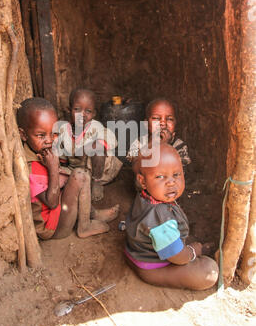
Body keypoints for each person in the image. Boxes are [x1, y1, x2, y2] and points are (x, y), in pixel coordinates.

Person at [17, 97, 119, 240]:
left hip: (57, 214)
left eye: (53, 134)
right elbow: (51, 203)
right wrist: (53, 168)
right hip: (53, 228)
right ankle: (84, 226)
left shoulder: (40, 152)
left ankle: (90, 213)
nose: (49, 140)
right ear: (23, 135)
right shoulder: (30, 168)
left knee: (74, 176)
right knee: (80, 175)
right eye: (41, 135)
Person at [124, 143, 218, 290]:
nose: (171, 182)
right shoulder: (161, 220)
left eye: (176, 174)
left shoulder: (146, 195)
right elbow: (178, 257)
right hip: (151, 268)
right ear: (142, 181)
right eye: (160, 176)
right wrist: (193, 252)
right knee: (207, 273)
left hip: (136, 251)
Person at [56, 88, 123, 201]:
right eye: (77, 109)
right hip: (74, 170)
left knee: (99, 148)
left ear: (94, 114)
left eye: (88, 111)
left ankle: (96, 183)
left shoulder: (95, 127)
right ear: (69, 110)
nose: (82, 115)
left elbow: (111, 139)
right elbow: (62, 158)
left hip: (98, 170)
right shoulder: (63, 130)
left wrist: (90, 146)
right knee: (58, 181)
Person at [127, 98, 191, 168]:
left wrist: (164, 146)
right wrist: (153, 145)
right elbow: (136, 166)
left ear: (175, 124)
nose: (163, 123)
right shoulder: (139, 143)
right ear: (146, 124)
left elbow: (176, 169)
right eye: (156, 118)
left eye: (169, 119)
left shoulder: (179, 145)